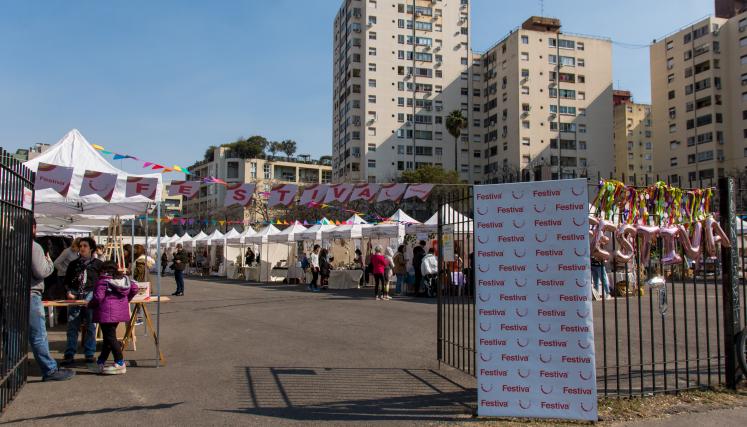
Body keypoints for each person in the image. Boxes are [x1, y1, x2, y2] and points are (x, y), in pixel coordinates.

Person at [29, 219, 75, 381]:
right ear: (33, 227)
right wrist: (48, 262)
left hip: (11, 294)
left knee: (13, 334)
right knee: (38, 335)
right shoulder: (33, 247)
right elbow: (42, 271)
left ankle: (12, 370)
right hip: (31, 294)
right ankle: (49, 370)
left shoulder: (7, 244)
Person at [89, 262, 139, 375]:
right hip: (119, 313)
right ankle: (101, 360)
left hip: (105, 313)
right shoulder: (124, 280)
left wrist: (89, 305)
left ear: (102, 270)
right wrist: (126, 300)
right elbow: (135, 288)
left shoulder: (102, 282)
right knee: (108, 338)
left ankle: (120, 362)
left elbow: (98, 298)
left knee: (111, 338)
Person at [61, 237, 103, 366]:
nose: (82, 248)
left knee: (91, 325)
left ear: (91, 248)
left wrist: (97, 295)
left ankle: (89, 353)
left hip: (90, 295)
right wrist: (68, 291)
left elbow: (102, 282)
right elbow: (66, 281)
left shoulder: (98, 264)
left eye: (85, 246)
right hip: (75, 294)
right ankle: (69, 353)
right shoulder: (74, 264)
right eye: (80, 246)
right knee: (72, 326)